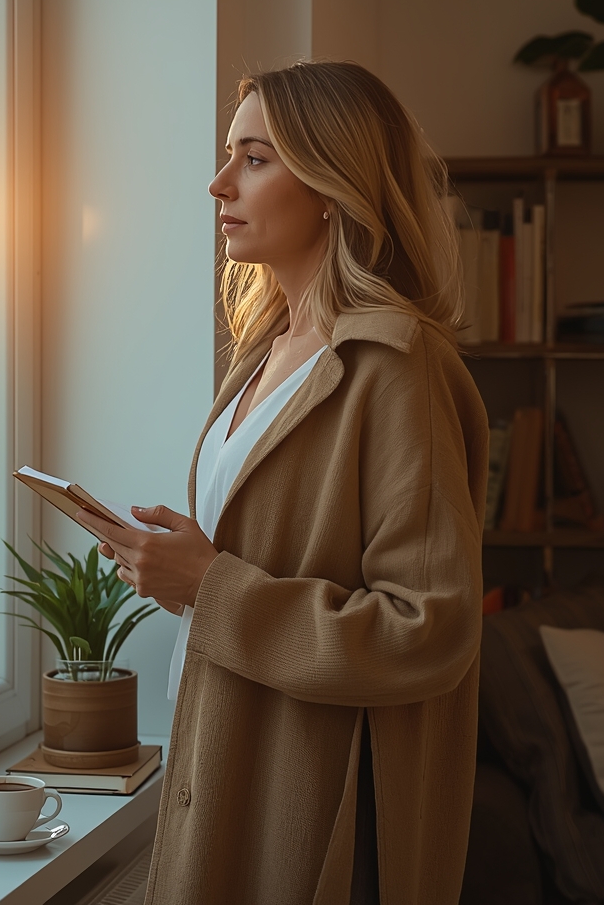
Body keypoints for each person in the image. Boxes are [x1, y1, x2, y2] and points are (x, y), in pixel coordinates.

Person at [77, 61, 488, 905]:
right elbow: (272, 562)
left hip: (313, 803)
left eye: (255, 159)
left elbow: (430, 628)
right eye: (231, 155)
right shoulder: (265, 353)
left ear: (333, 184)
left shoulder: (396, 368)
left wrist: (212, 588)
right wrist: (182, 579)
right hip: (223, 761)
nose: (218, 181)